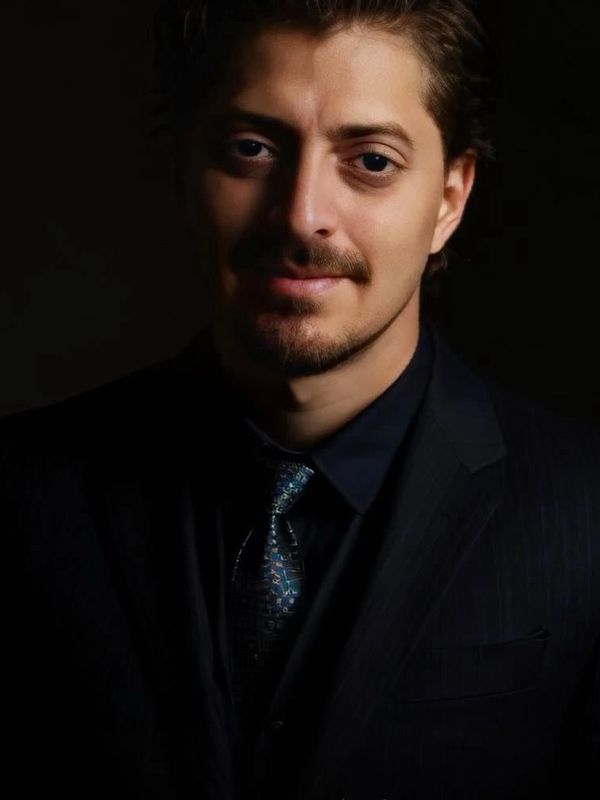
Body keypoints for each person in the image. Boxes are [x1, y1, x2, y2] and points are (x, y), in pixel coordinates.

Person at [1, 1, 599, 798]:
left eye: (372, 162)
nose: (302, 214)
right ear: (184, 173)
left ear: (450, 199)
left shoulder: (586, 511)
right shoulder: (19, 494)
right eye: (251, 149)